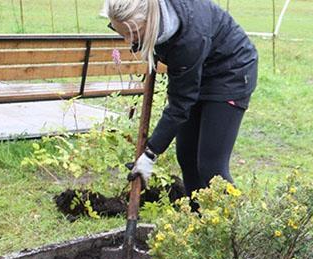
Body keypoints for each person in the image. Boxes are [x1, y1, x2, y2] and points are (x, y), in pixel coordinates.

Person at [106, 0, 258, 197]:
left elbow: (180, 103)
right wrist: (142, 40)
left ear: (150, 21)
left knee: (211, 169)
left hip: (230, 72)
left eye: (133, 33)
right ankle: (196, 220)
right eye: (121, 33)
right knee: (186, 157)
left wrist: (150, 154)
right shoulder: (151, 13)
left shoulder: (188, 39)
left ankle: (237, 223)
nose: (128, 41)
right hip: (197, 68)